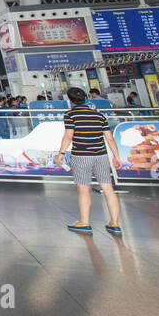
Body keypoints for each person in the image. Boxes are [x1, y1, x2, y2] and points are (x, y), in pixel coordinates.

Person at [54, 85, 122, 235]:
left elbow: (69, 135)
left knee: (84, 190)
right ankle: (115, 223)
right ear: (85, 98)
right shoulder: (99, 115)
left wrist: (61, 153)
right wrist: (117, 157)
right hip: (101, 155)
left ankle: (84, 222)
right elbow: (109, 138)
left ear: (70, 100)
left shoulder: (70, 115)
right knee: (108, 189)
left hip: (81, 155)